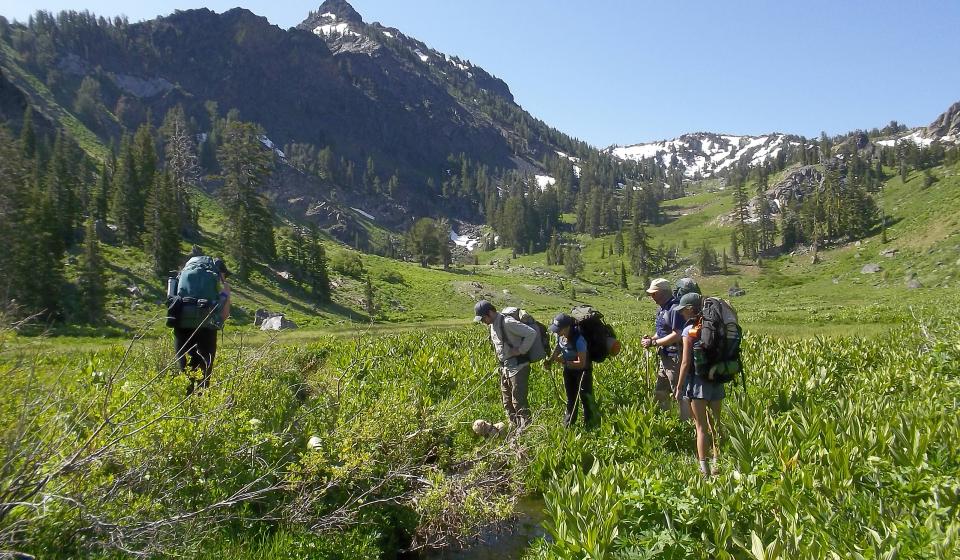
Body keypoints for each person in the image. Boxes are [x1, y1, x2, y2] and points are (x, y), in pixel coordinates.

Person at [673, 292, 724, 477]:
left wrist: (679, 387)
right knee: (716, 423)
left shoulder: (689, 331)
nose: (681, 314)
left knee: (701, 427)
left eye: (683, 310)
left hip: (697, 382)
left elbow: (686, 362)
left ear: (690, 309)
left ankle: (704, 468)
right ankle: (718, 461)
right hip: (716, 379)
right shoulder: (715, 325)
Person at [474, 300, 537, 431]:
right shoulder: (492, 325)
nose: (482, 321)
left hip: (519, 367)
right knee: (507, 401)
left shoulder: (507, 323)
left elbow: (531, 333)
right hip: (506, 368)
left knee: (518, 401)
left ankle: (525, 430)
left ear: (490, 312)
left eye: (483, 318)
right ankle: (512, 427)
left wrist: (520, 350)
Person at [174, 256, 231, 395]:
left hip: (181, 328)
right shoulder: (223, 286)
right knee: (203, 374)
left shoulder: (181, 278)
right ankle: (201, 407)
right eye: (226, 275)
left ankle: (183, 406)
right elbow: (224, 315)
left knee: (185, 374)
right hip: (207, 328)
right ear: (220, 272)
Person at [641, 278, 691, 421]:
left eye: (654, 294)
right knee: (660, 391)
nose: (652, 297)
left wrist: (654, 343)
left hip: (675, 357)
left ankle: (686, 423)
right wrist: (651, 339)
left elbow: (677, 334)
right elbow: (662, 332)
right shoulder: (662, 309)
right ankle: (666, 420)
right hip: (665, 357)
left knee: (679, 391)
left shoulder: (675, 309)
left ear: (663, 293)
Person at [547, 313, 597, 429]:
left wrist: (563, 361)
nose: (556, 331)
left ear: (567, 327)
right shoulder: (561, 336)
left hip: (583, 371)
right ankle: (568, 424)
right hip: (569, 371)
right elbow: (559, 347)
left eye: (558, 329)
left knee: (586, 397)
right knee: (571, 398)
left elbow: (581, 363)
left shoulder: (579, 340)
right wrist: (551, 360)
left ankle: (590, 424)